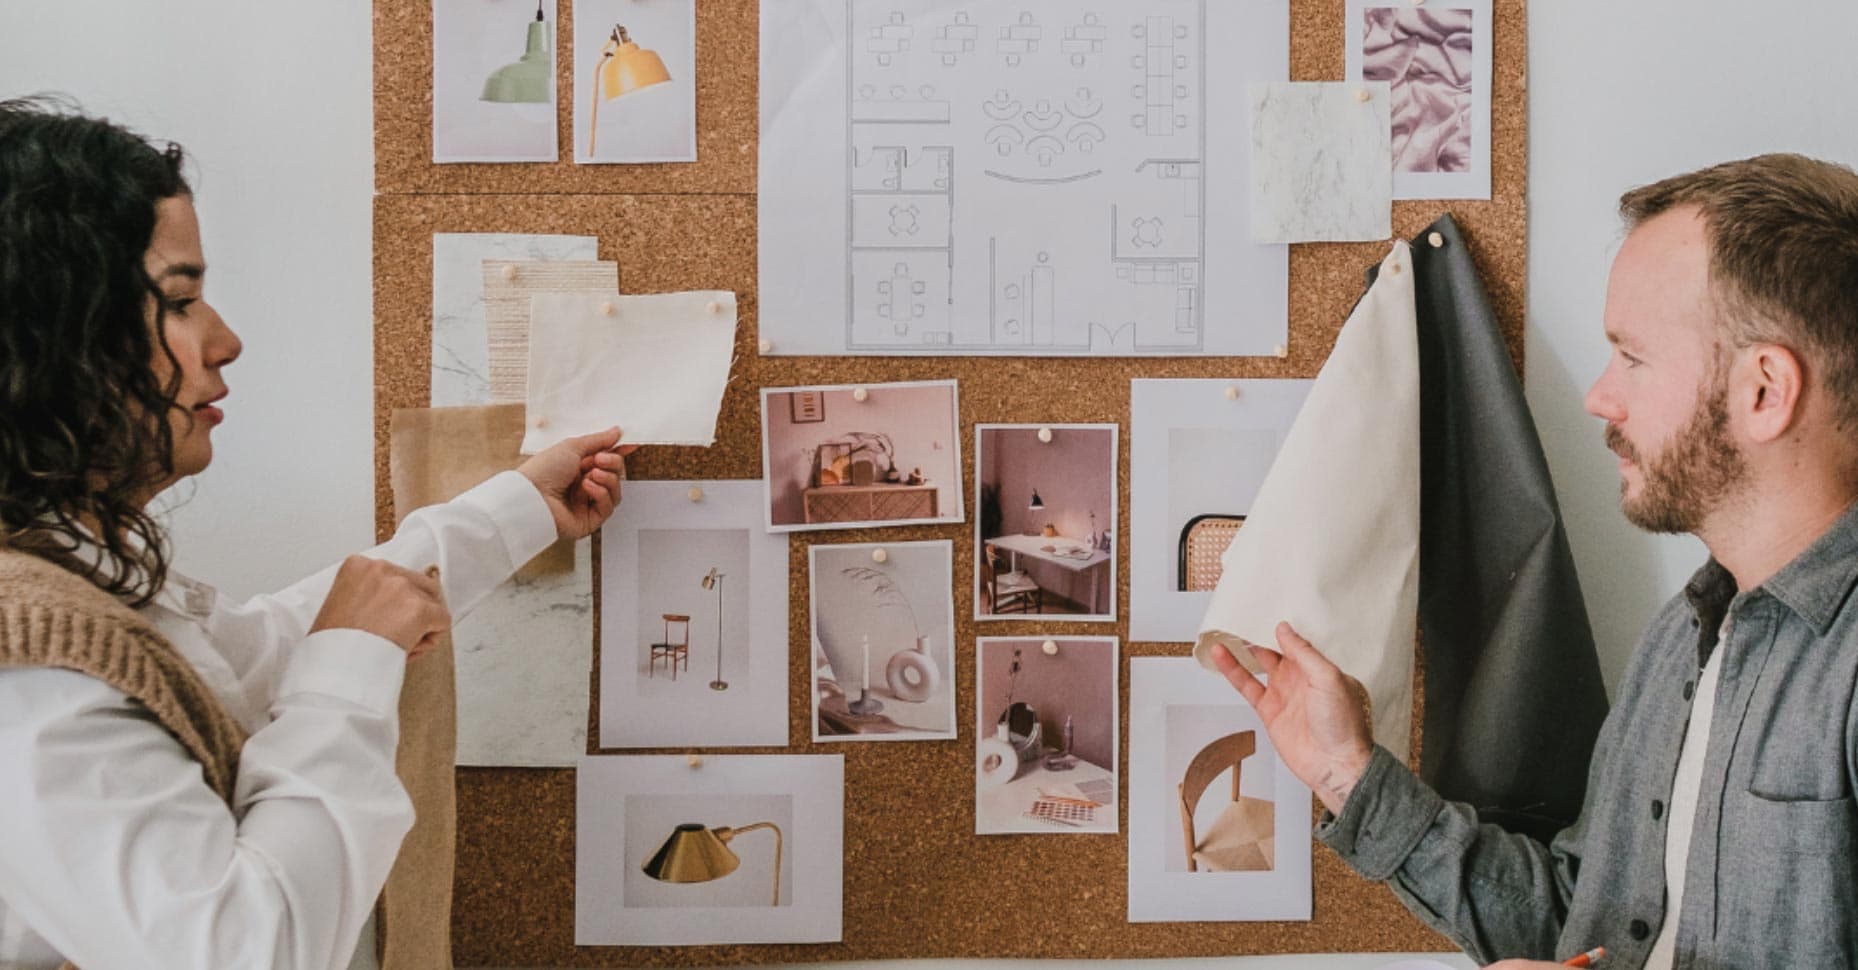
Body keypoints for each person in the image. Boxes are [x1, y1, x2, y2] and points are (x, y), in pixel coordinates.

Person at [0, 98, 632, 968]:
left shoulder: (61, 585)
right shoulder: (28, 673)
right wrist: (347, 670)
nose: (226, 341)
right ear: (49, 333)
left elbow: (251, 655)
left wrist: (518, 511)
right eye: (181, 301)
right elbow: (251, 953)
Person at [1214, 153, 1858, 970]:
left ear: (1763, 391)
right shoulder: (1684, 640)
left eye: (1633, 356)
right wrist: (1347, 773)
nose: (1599, 395)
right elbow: (1580, 922)